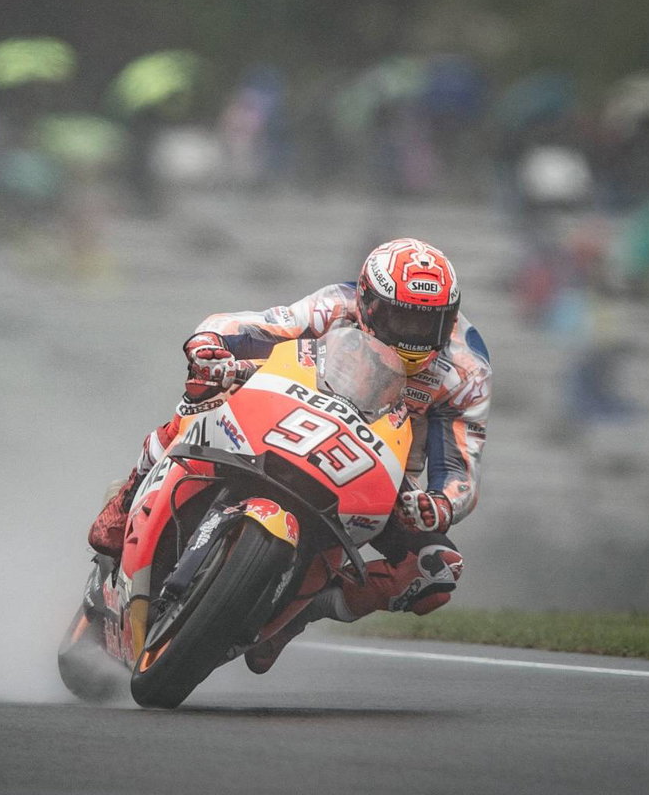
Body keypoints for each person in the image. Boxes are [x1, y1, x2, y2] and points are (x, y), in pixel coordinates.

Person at [86, 237, 490, 674]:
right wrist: (211, 345)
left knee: (437, 570)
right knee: (202, 399)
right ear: (370, 304)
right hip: (289, 418)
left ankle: (303, 611)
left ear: (447, 320)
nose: (412, 335)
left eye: (426, 324)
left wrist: (439, 504)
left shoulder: (465, 371)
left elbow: (460, 466)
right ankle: (127, 498)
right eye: (400, 318)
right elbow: (255, 327)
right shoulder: (337, 306)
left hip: (378, 476)